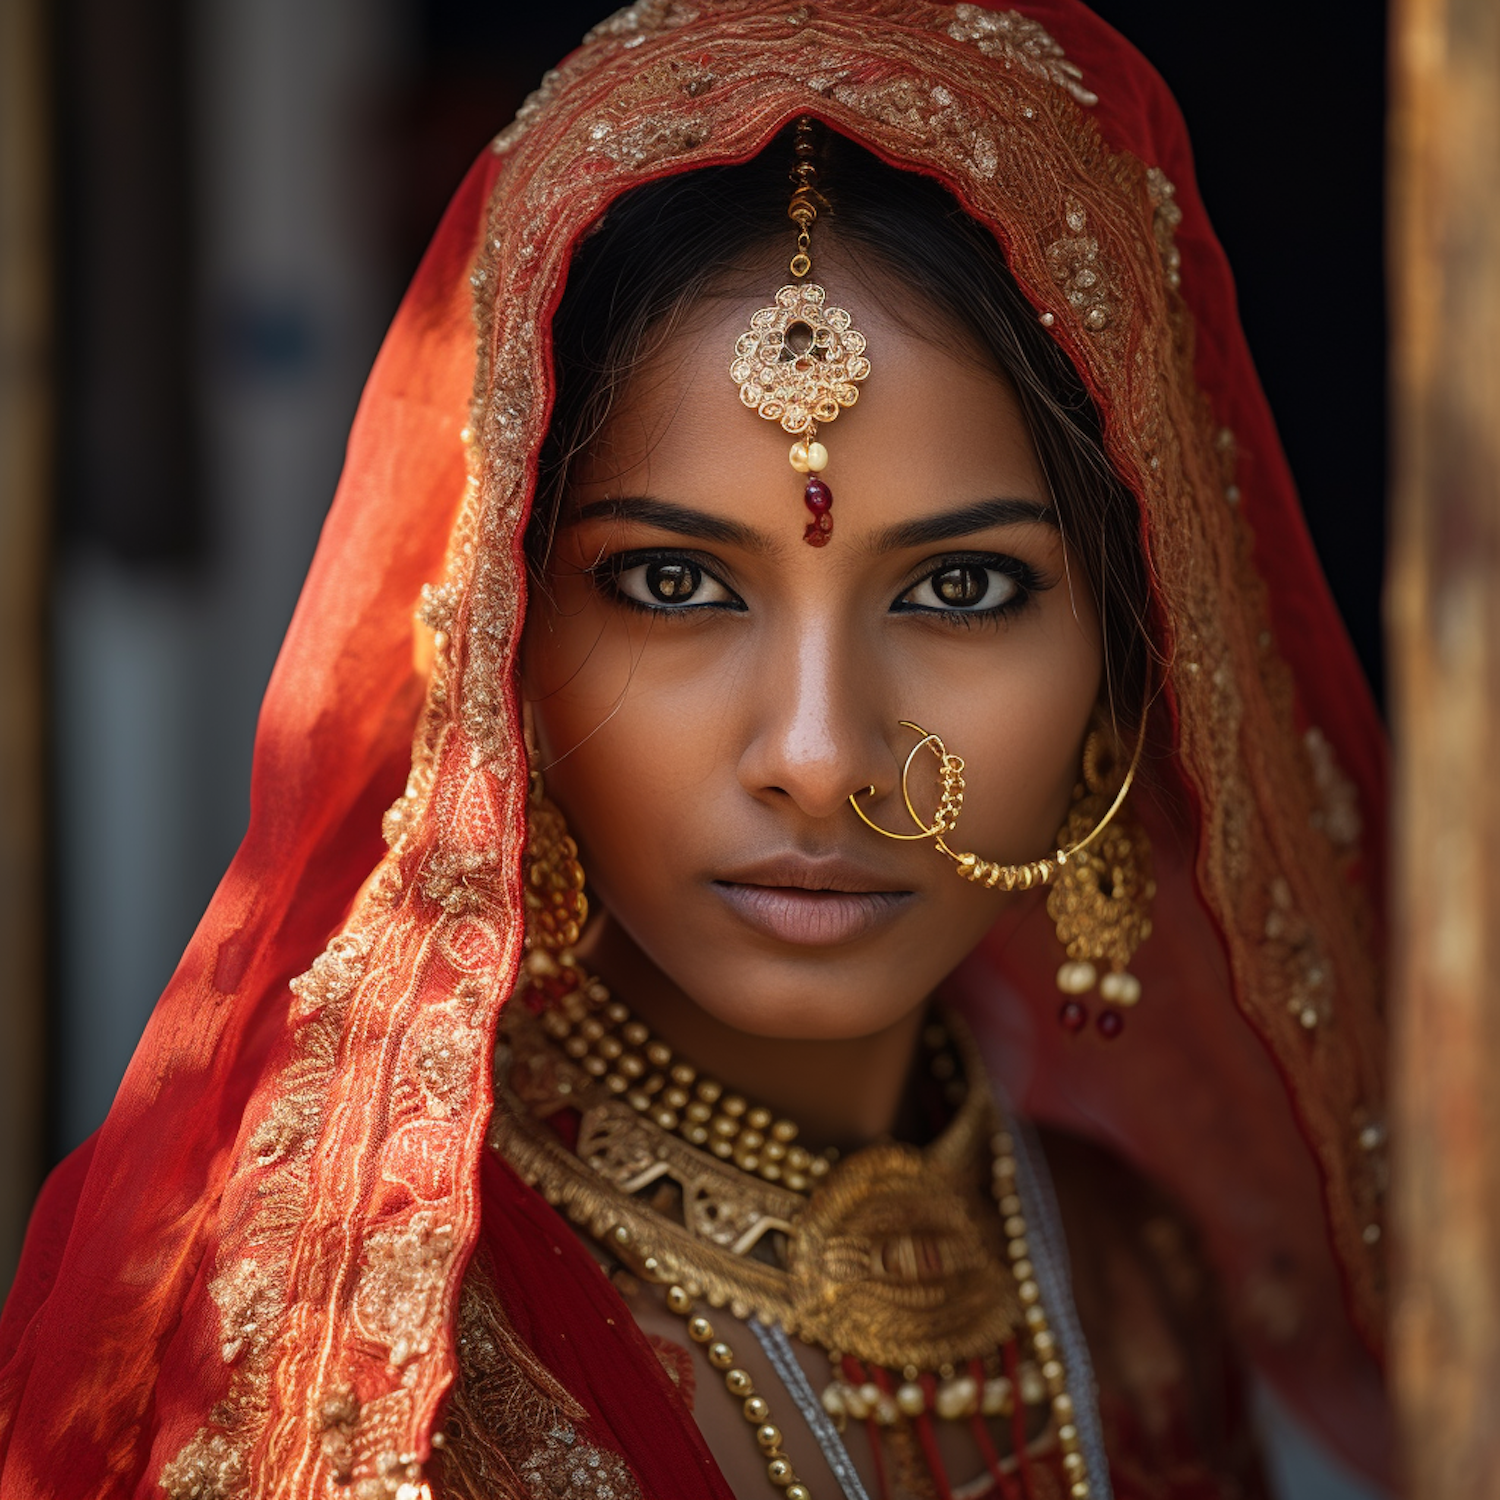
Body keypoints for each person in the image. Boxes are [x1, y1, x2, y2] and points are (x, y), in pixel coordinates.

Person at [0, 3, 1391, 1497]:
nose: (814, 754)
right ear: (504, 648)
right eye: (676, 584)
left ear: (1129, 663)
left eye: (961, 587)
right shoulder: (363, 1359)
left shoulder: (1133, 1280)